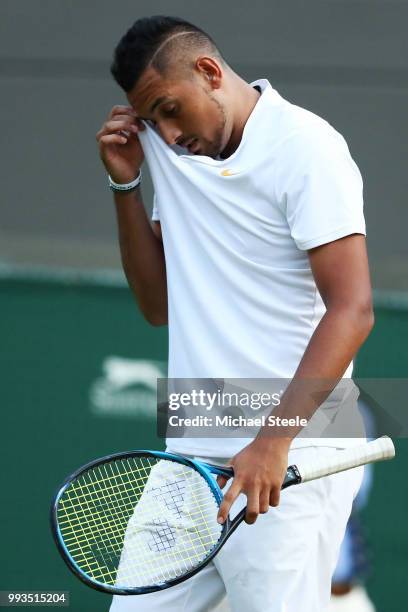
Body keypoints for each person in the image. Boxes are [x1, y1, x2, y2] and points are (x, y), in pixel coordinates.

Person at [96, 15, 374, 612]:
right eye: (151, 121)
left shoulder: (309, 148)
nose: (167, 135)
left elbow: (352, 311)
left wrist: (273, 443)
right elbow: (157, 307)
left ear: (209, 72)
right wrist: (126, 189)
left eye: (171, 110)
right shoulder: (173, 154)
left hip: (294, 455)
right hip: (190, 457)